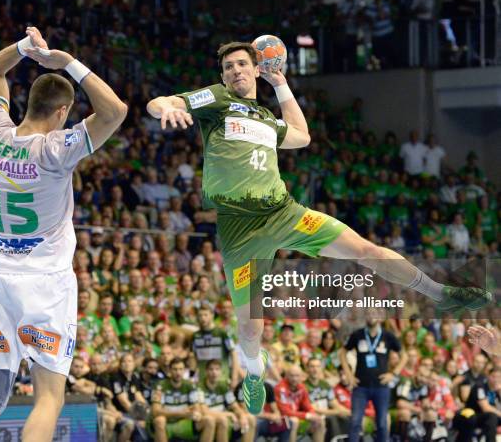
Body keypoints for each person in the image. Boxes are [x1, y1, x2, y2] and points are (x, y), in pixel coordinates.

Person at [145, 40, 490, 414]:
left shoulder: (264, 118)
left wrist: (280, 84)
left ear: (255, 69)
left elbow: (301, 135)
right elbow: (164, 102)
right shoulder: (216, 101)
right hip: (239, 230)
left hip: (284, 213)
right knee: (250, 328)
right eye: (228, 67)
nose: (235, 71)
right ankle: (254, 371)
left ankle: (440, 293)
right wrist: (165, 107)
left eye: (242, 64)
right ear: (223, 76)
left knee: (367, 251)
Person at [0, 26, 127, 442]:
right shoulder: (57, 149)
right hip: (47, 285)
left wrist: (25, 48)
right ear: (61, 113)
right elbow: (115, 111)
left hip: (1, 280)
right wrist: (66, 61)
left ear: (30, 103)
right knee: (49, 399)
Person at [340, 309, 404, 442]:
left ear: (381, 317)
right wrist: (349, 374)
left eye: (374, 314)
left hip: (381, 387)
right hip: (360, 386)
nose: (371, 316)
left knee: (381, 423)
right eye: (368, 313)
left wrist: (393, 373)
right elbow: (342, 352)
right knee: (355, 422)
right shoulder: (357, 335)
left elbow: (404, 356)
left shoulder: (388, 336)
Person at [453, 368, 501, 442]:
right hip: (470, 415)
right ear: (488, 376)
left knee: (492, 417)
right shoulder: (480, 387)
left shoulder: (497, 390)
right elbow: (485, 408)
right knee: (492, 416)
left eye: (499, 377)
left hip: (485, 418)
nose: (496, 379)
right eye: (493, 376)